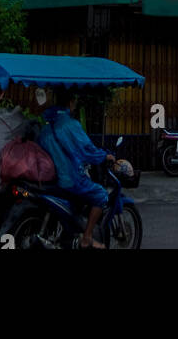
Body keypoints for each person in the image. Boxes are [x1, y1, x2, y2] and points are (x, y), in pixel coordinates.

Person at [38, 95, 116, 249]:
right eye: (74, 101)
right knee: (101, 195)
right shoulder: (71, 125)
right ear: (70, 102)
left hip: (52, 179)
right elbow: (87, 150)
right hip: (70, 179)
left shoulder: (47, 126)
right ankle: (87, 237)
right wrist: (104, 155)